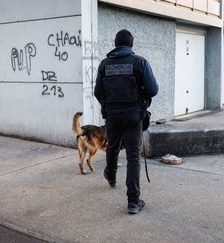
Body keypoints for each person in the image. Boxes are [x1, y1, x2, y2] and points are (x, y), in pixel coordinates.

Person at [94, 29, 158, 214]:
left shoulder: (104, 64)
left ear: (115, 44)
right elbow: (153, 89)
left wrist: (110, 105)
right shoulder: (139, 62)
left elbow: (98, 92)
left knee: (112, 146)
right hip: (133, 115)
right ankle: (133, 201)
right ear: (131, 44)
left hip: (112, 116)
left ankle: (111, 176)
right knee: (133, 156)